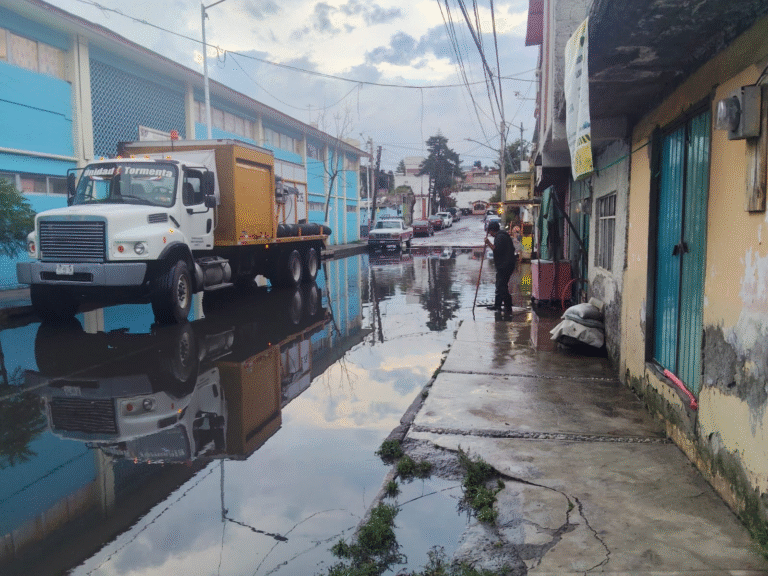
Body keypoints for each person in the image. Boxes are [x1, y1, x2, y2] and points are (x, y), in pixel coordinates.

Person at [484, 220, 516, 312]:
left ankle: (508, 306)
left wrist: (488, 243)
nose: (489, 234)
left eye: (489, 231)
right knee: (500, 285)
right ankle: (498, 305)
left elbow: (497, 250)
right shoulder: (502, 235)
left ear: (492, 230)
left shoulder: (500, 237)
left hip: (505, 266)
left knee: (501, 286)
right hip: (505, 265)